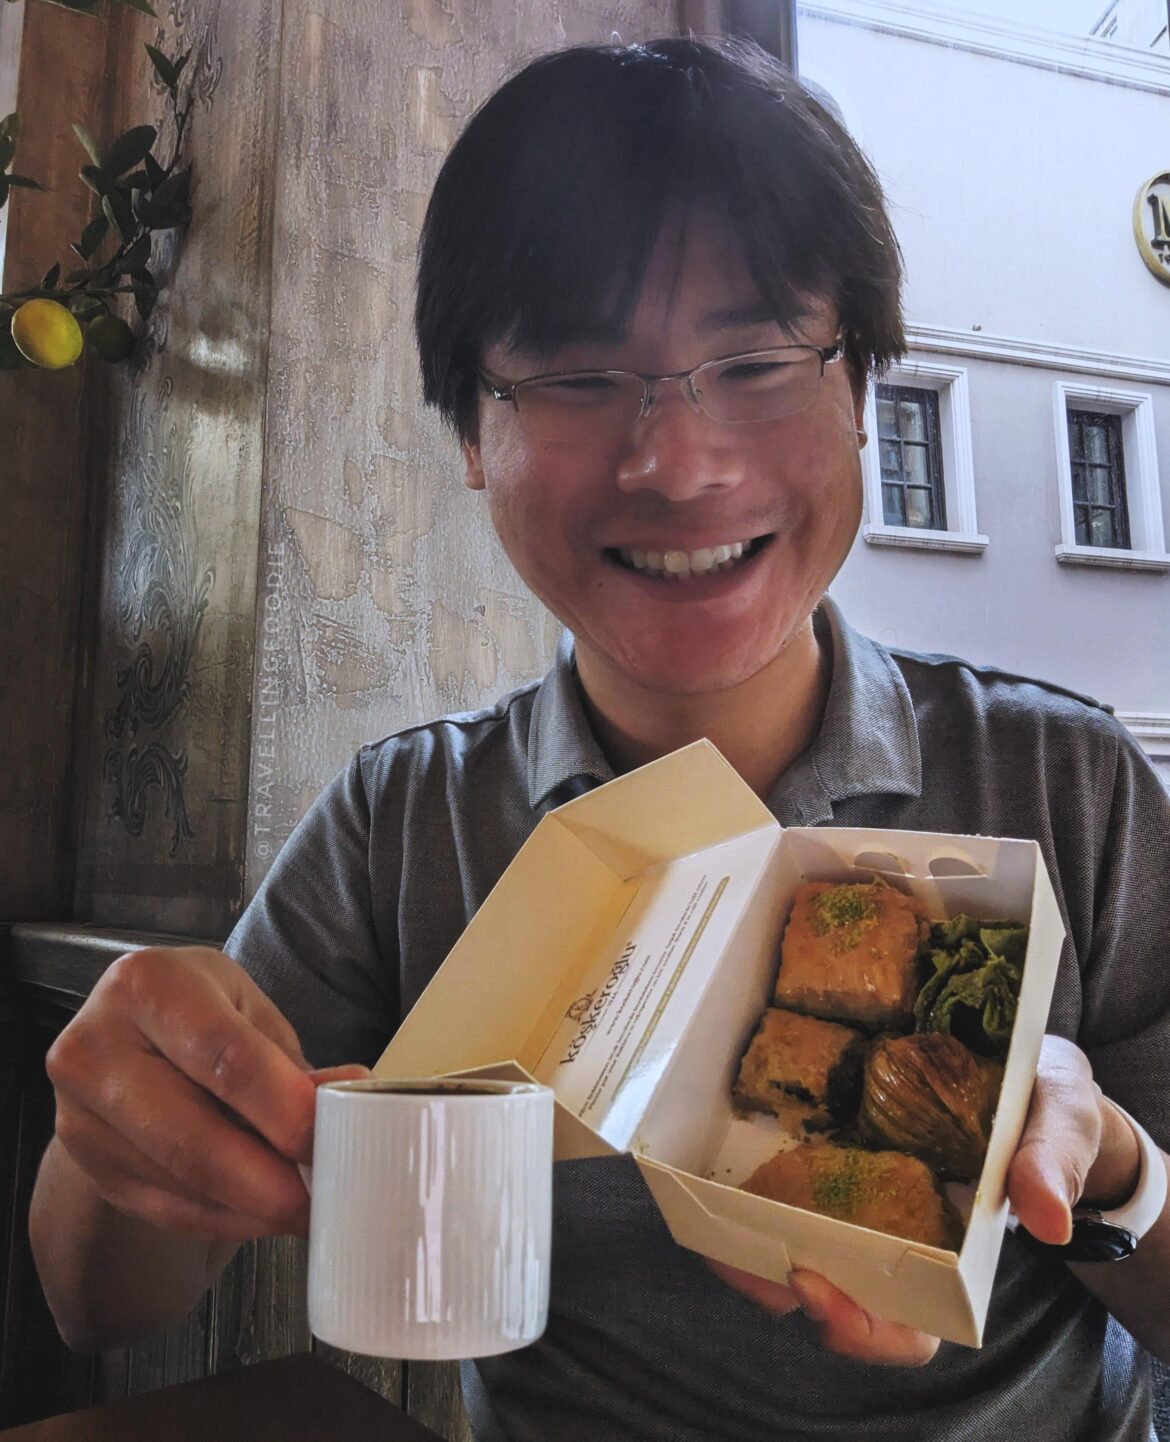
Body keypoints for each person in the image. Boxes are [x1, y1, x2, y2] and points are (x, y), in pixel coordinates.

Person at [28, 36, 1170, 1442]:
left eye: (752, 361)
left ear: (861, 394)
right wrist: (115, 1134)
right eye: (575, 376)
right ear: (469, 434)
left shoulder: (1068, 781)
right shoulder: (408, 820)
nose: (676, 464)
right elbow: (100, 1302)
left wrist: (1112, 1169)